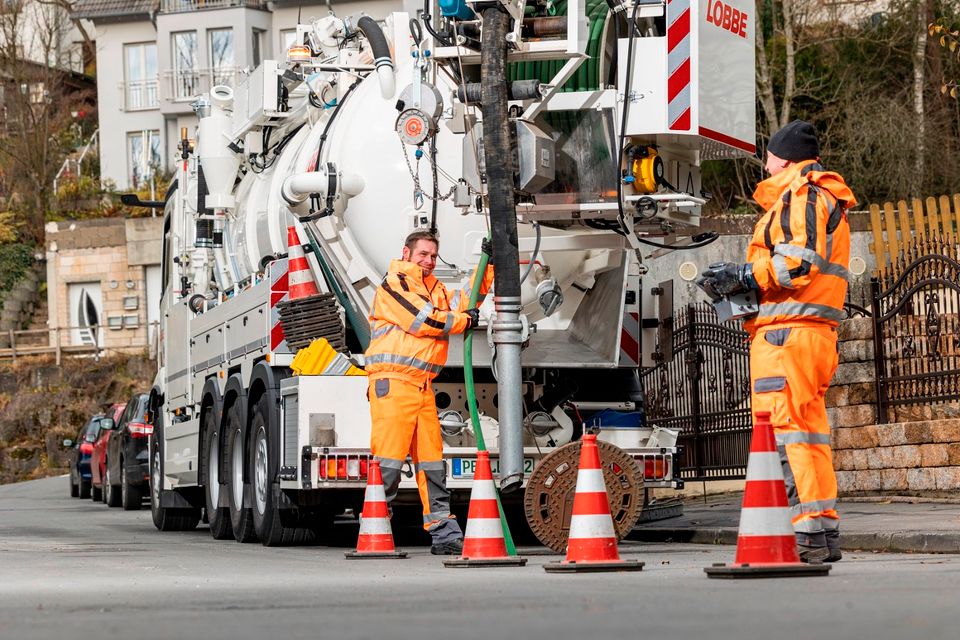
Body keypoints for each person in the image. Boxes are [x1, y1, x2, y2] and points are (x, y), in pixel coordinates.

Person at [697, 120, 856, 563]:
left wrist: (743, 275)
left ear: (782, 159)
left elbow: (795, 265)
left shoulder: (801, 193)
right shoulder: (821, 198)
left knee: (784, 436)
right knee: (807, 437)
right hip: (809, 335)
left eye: (768, 156)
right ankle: (820, 534)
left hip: (787, 336)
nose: (764, 164)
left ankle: (801, 536)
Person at [365, 230, 494, 555]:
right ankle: (375, 528)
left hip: (421, 386)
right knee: (389, 465)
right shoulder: (396, 283)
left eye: (433, 255)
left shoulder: (432, 288)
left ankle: (444, 534)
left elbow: (463, 302)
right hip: (392, 383)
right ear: (406, 253)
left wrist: (488, 265)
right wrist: (464, 322)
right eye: (423, 254)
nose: (429, 261)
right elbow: (424, 320)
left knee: (432, 465)